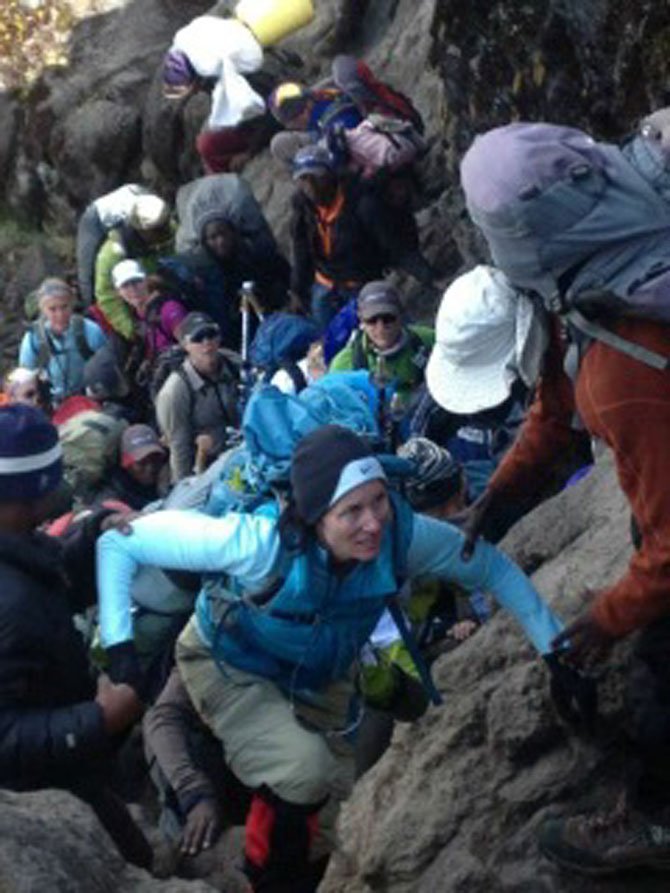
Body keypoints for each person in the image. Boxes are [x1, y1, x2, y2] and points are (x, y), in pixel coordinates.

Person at [97, 423, 567, 892]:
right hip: (230, 663)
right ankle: (270, 882)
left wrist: (556, 652)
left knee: (332, 802)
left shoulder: (401, 537)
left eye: (379, 500)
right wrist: (119, 645)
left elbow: (492, 568)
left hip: (321, 670)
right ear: (315, 517)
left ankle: (288, 872)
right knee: (304, 771)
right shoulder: (259, 544)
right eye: (352, 511)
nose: (373, 523)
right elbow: (119, 542)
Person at [452, 121, 670, 874]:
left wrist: (602, 622)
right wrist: (502, 496)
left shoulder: (625, 365)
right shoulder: (610, 228)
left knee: (656, 680)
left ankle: (654, 828)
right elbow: (554, 401)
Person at [0, 403, 150, 868]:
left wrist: (93, 536)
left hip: (72, 755)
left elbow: (51, 577)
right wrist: (97, 719)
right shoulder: (9, 603)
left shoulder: (19, 546)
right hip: (43, 788)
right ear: (32, 494)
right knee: (127, 864)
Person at [290, 145, 434, 329]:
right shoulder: (303, 208)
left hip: (360, 283)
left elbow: (395, 245)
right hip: (325, 282)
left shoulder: (362, 203)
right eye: (303, 180)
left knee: (388, 327)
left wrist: (427, 275)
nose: (310, 187)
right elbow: (301, 250)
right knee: (327, 339)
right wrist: (297, 291)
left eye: (316, 178)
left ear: (330, 174)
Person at [163, 15, 274, 174]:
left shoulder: (237, 82)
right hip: (255, 121)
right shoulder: (214, 73)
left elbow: (268, 115)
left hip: (267, 124)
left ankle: (225, 182)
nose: (191, 93)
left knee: (206, 145)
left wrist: (249, 153)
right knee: (206, 140)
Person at [171, 207, 289, 351]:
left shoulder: (252, 256)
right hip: (225, 335)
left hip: (263, 321)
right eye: (213, 238)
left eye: (223, 234)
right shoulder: (201, 271)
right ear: (205, 242)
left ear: (232, 233)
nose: (220, 241)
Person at [155, 312, 240, 482]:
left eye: (211, 335)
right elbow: (179, 447)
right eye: (198, 338)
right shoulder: (175, 390)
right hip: (205, 468)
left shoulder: (235, 364)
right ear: (185, 345)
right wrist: (184, 487)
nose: (206, 343)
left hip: (240, 452)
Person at [329, 280, 434, 405]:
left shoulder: (428, 340)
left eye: (388, 318)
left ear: (400, 315)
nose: (381, 327)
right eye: (372, 320)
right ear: (361, 320)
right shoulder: (344, 365)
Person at [94, 195, 173, 340]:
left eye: (165, 226)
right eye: (157, 230)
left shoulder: (170, 230)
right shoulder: (112, 254)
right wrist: (132, 329)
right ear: (142, 230)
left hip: (168, 301)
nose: (165, 232)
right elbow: (107, 296)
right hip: (134, 314)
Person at [18, 278, 107, 405]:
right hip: (50, 403)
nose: (60, 315)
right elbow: (25, 375)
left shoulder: (90, 330)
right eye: (52, 309)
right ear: (43, 309)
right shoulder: (34, 337)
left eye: (64, 307)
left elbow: (107, 365)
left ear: (72, 305)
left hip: (89, 399)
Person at [76, 184, 151, 305]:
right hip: (95, 218)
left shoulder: (151, 207)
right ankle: (89, 305)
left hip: (117, 215)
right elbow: (122, 238)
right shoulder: (131, 215)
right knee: (87, 270)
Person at [111, 259, 188, 360]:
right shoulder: (136, 317)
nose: (133, 289)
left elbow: (193, 347)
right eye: (125, 286)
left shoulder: (169, 310)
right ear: (118, 292)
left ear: (146, 281)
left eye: (136, 281)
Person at [93, 423, 167, 511]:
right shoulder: (114, 494)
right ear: (126, 464)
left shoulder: (167, 484)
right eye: (142, 463)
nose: (150, 468)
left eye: (155, 460)